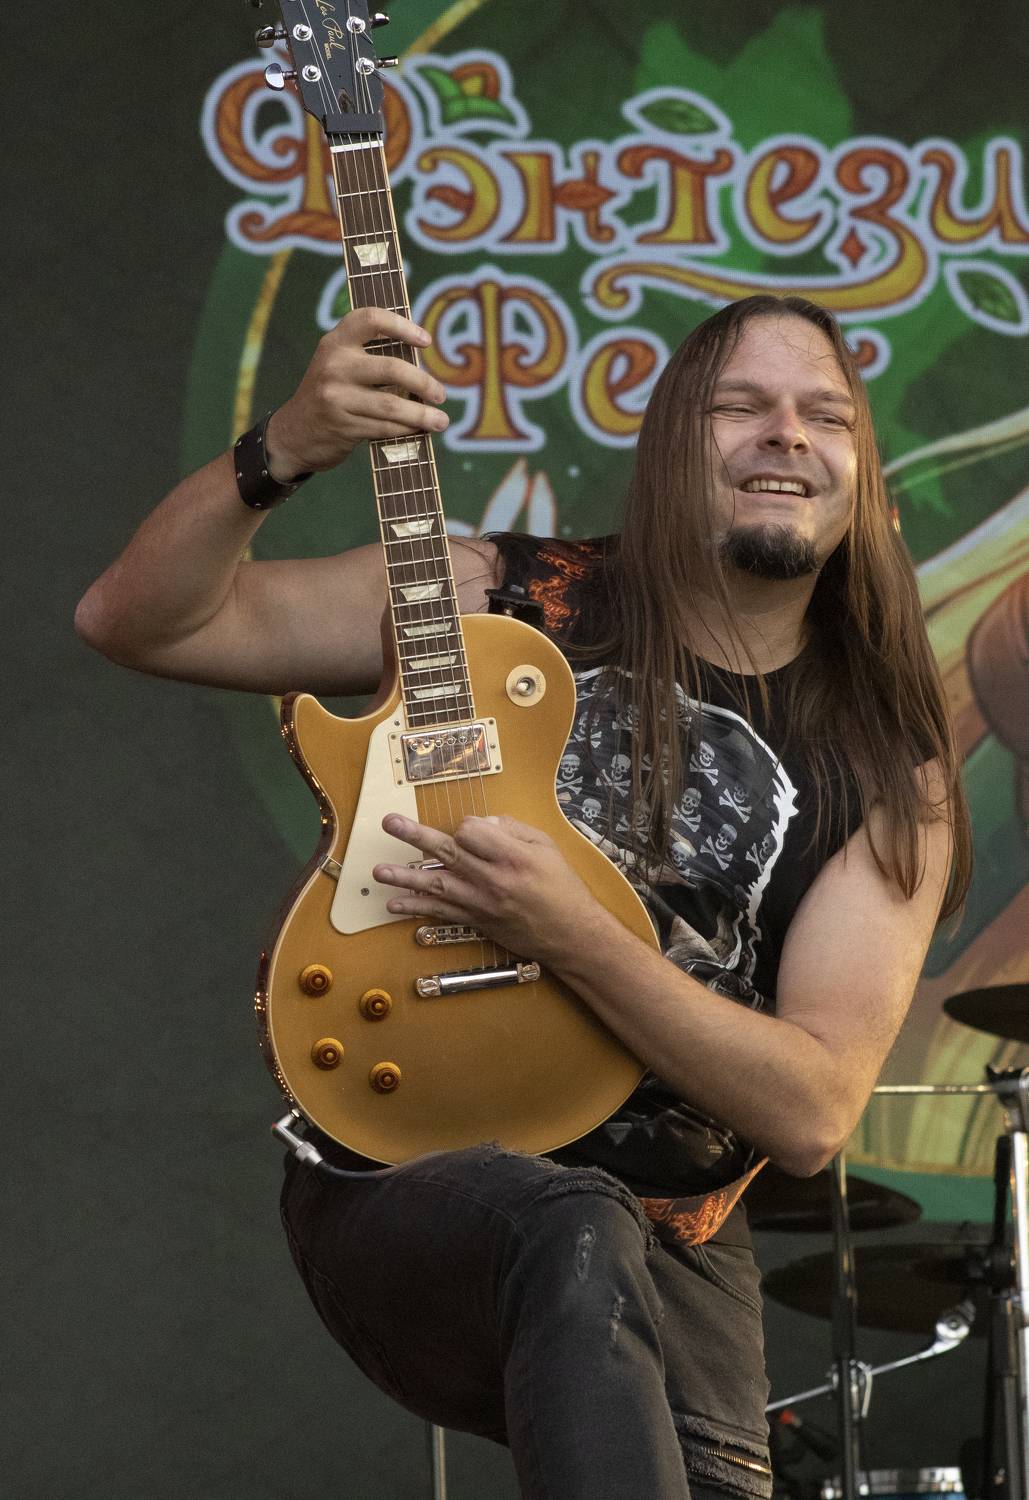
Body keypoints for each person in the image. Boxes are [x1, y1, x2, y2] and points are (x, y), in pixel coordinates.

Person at [76, 293, 971, 1500]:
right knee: (570, 1224)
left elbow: (813, 1109)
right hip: (412, 1151)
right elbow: (137, 620)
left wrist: (574, 935)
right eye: (741, 406)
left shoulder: (890, 770)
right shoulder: (497, 597)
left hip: (675, 1228)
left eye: (827, 415)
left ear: (864, 475)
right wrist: (279, 449)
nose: (787, 434)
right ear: (669, 445)